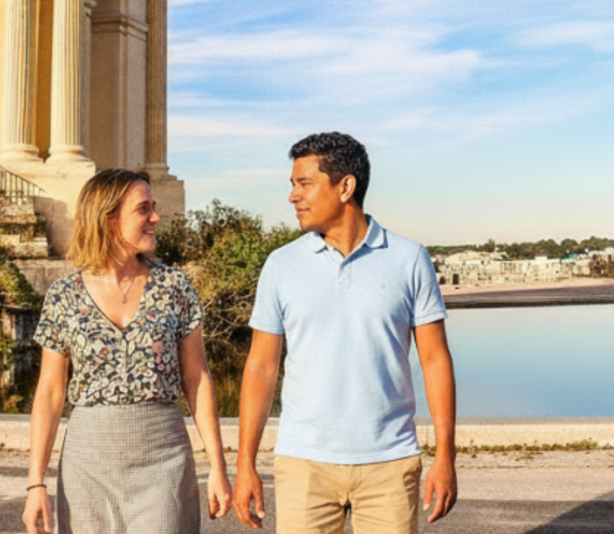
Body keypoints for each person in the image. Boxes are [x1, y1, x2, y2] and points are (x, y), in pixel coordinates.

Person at [234, 132, 457, 533]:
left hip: (390, 462)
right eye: (292, 185)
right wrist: (245, 464)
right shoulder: (281, 265)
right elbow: (261, 367)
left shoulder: (409, 259)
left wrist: (445, 457)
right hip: (304, 464)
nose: (292, 196)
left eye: (304, 184)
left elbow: (435, 360)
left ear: (345, 187)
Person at [23, 169, 232, 534]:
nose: (156, 217)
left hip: (163, 460)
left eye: (154, 207)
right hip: (87, 467)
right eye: (144, 209)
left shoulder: (174, 286)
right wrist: (36, 482)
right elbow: (50, 392)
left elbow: (196, 378)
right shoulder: (63, 295)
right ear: (108, 219)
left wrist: (217, 466)